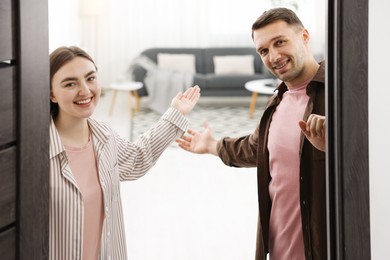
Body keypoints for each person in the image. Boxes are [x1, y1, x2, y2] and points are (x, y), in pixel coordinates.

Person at [177, 7, 326, 260]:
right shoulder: (277, 101)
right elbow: (255, 148)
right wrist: (211, 145)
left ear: (304, 36)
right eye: (264, 51)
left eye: (280, 42)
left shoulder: (341, 93)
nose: (274, 56)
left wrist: (333, 147)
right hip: (278, 250)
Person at [49, 46, 200, 260]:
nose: (85, 90)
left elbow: (136, 159)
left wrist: (175, 113)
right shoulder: (36, 153)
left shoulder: (104, 136)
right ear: (51, 93)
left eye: (90, 78)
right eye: (70, 83)